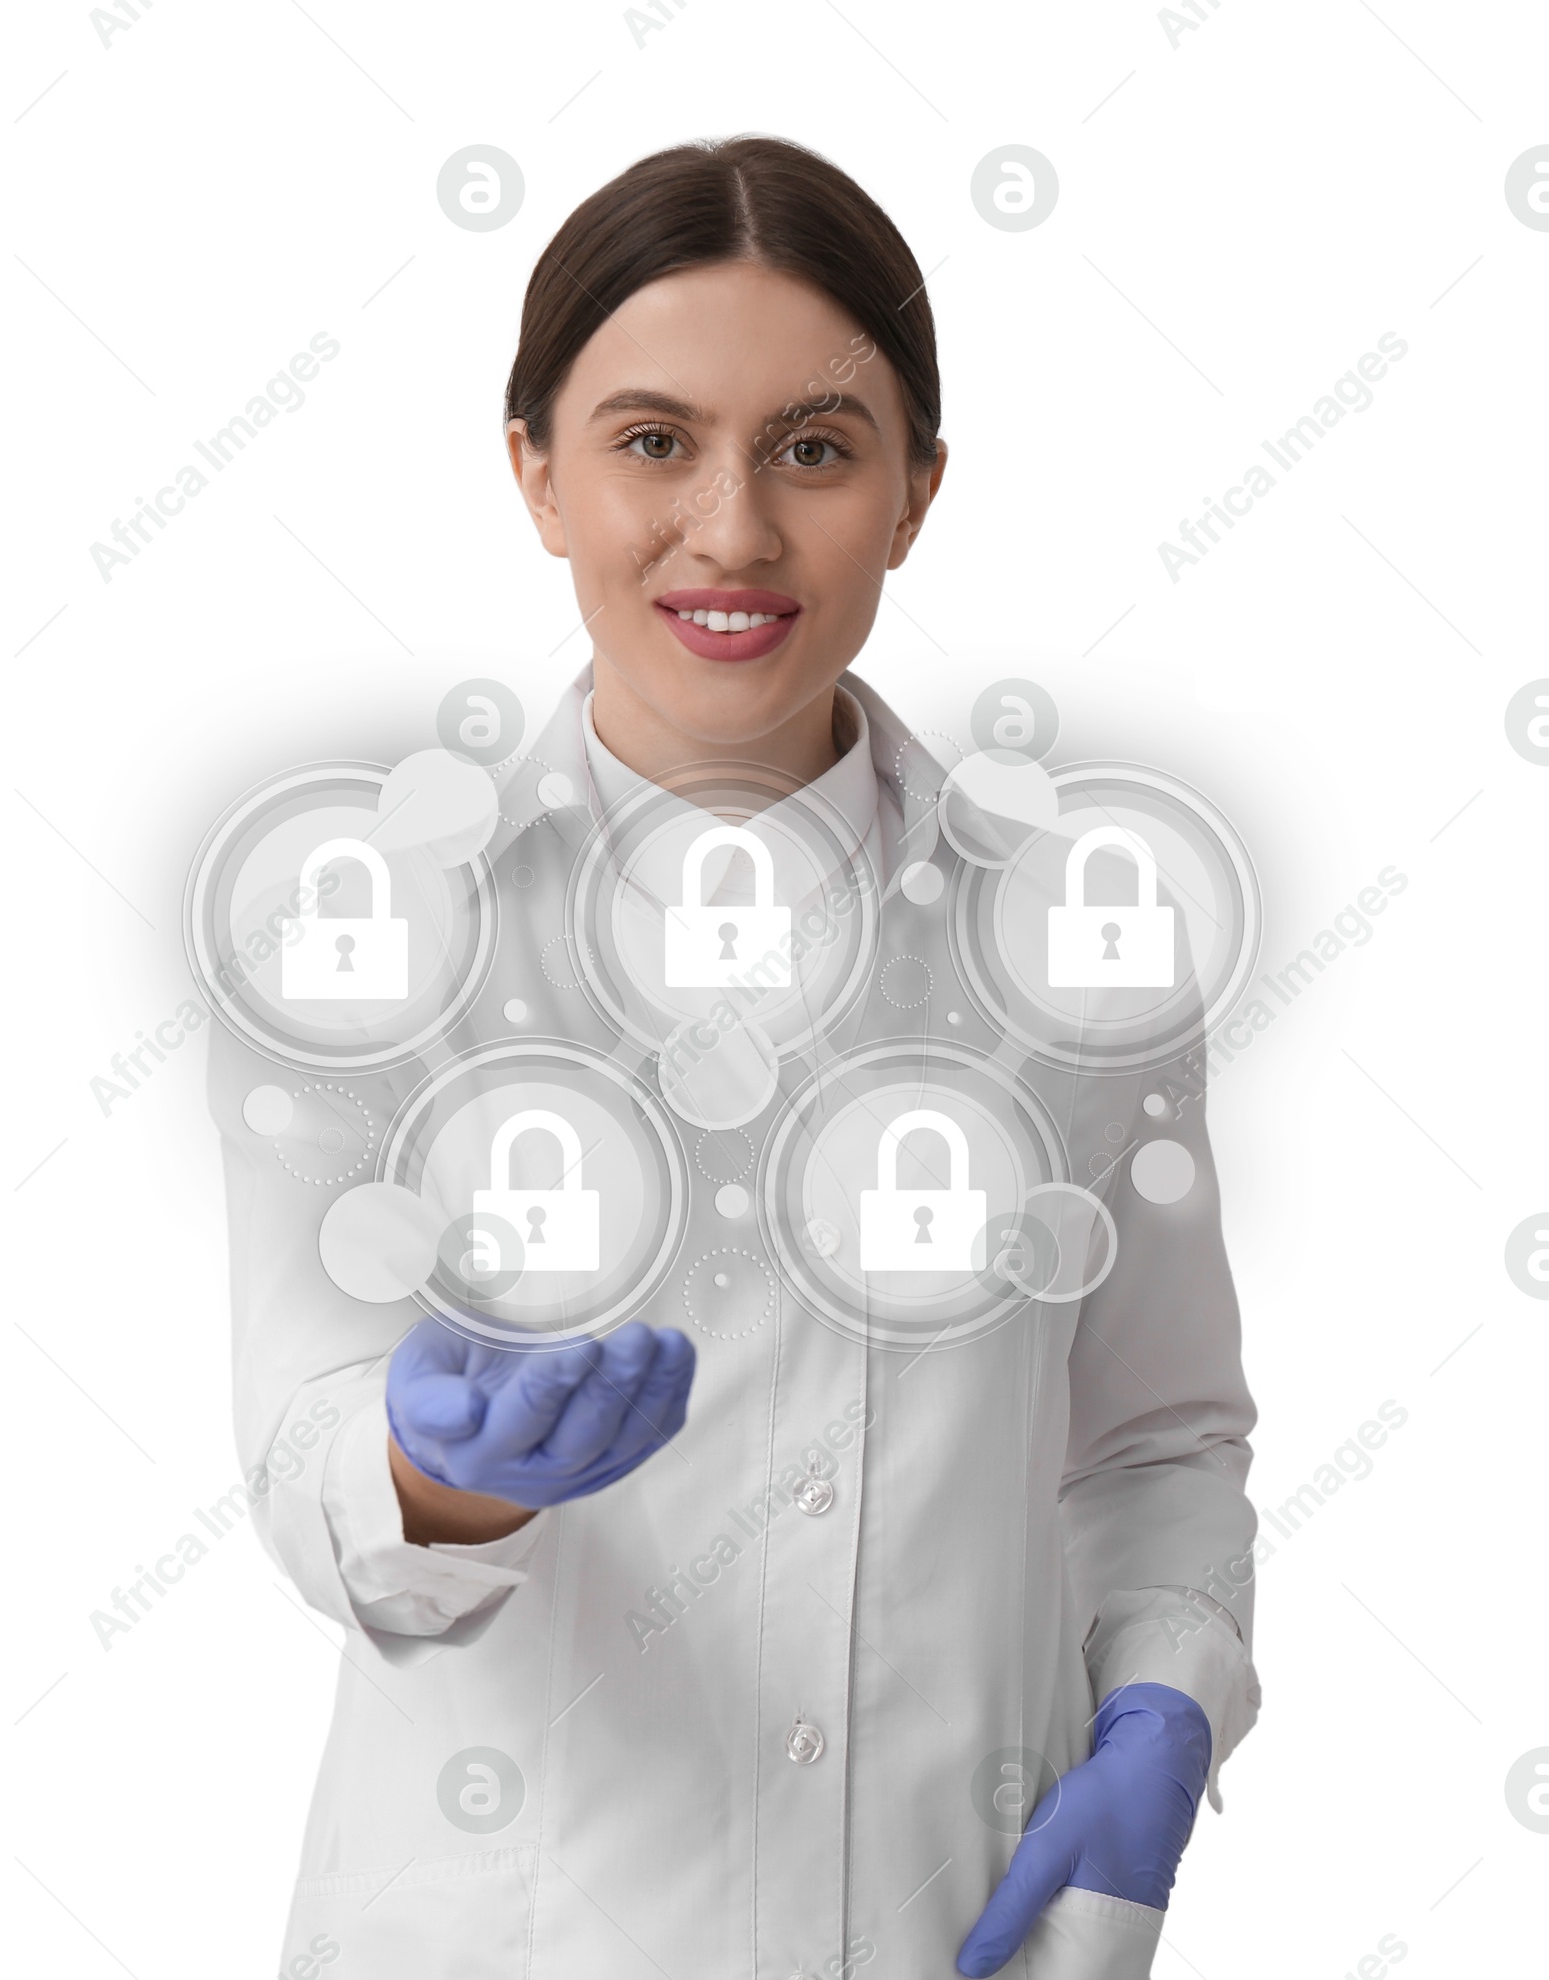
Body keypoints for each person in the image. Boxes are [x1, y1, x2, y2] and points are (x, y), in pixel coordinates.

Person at [207, 135, 1260, 1979]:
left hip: (955, 1919)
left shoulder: (1080, 949)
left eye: (818, 450)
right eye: (649, 442)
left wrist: (1164, 1708)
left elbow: (1159, 1432)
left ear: (918, 491)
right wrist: (446, 1472)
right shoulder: (371, 938)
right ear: (533, 471)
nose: (734, 532)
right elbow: (310, 1451)